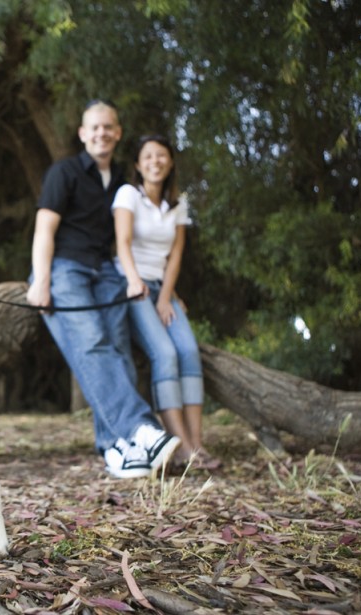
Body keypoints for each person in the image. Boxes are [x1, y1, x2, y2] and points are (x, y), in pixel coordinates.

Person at [27, 100, 180, 479]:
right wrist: (41, 279)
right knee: (92, 342)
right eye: (94, 127)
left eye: (108, 127)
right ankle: (141, 429)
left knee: (117, 351)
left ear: (118, 133)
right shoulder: (64, 172)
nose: (101, 133)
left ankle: (115, 447)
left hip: (106, 274)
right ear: (83, 133)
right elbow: (44, 229)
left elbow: (132, 241)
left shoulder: (122, 186)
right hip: (66, 269)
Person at [112, 134, 219, 470]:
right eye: (148, 156)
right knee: (166, 353)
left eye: (161, 156)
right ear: (137, 164)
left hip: (162, 287)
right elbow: (123, 243)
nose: (155, 161)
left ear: (170, 162)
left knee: (188, 352)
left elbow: (175, 255)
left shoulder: (178, 203)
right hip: (131, 284)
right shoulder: (128, 194)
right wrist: (136, 283)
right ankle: (182, 446)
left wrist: (166, 296)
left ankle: (198, 444)